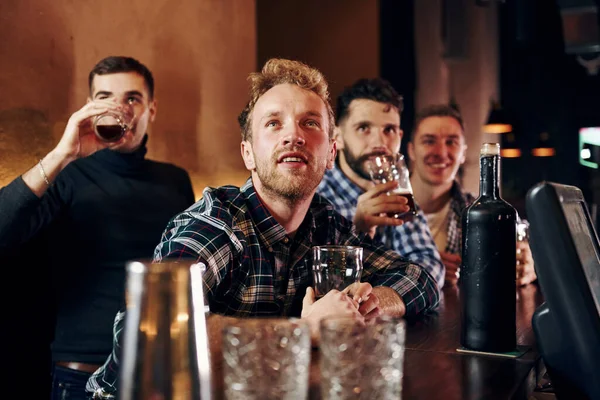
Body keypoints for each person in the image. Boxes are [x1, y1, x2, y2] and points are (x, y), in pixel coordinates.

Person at [86, 58, 440, 399]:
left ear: (331, 153)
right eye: (274, 123)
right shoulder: (217, 224)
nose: (293, 136)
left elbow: (420, 277)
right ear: (248, 154)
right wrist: (303, 330)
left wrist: (368, 304)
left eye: (310, 123)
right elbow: (155, 330)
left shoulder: (325, 223)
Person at [0, 56, 195, 400]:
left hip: (158, 370)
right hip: (83, 376)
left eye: (132, 98)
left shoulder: (175, 181)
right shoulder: (70, 174)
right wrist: (64, 153)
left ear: (151, 109)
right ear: (90, 107)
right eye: (105, 98)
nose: (120, 108)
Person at [317, 78, 445, 288]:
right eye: (364, 128)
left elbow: (430, 267)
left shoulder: (399, 192)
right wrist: (357, 230)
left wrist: (383, 297)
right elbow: (325, 284)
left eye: (389, 130)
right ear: (336, 138)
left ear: (400, 137)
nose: (379, 143)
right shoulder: (317, 196)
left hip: (390, 318)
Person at [407, 104, 537, 286]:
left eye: (451, 142)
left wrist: (530, 266)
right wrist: (425, 268)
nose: (441, 152)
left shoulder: (478, 209)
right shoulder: (384, 208)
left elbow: (526, 245)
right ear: (412, 150)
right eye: (429, 141)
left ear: (463, 153)